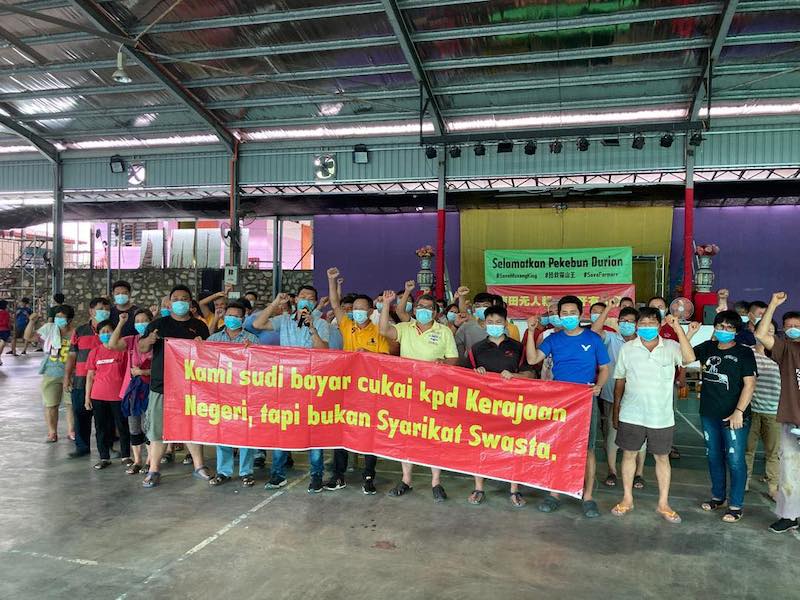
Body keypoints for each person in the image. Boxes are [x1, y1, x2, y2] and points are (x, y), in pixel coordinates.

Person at [525, 295, 610, 518]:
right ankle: (555, 493)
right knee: (559, 446)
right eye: (564, 313)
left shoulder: (593, 339)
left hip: (585, 398)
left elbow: (604, 368)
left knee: (588, 449)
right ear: (559, 316)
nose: (569, 316)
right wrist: (531, 331)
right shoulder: (554, 339)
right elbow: (533, 359)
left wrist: (599, 386)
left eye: (573, 312)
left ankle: (588, 496)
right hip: (561, 400)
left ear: (580, 314)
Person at [610, 312, 698, 524]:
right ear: (637, 326)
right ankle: (627, 498)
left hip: (661, 416)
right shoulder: (627, 348)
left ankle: (663, 503)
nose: (647, 326)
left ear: (660, 325)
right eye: (643, 323)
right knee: (629, 455)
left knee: (662, 457)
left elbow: (689, 358)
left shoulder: (671, 346)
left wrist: (678, 329)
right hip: (632, 414)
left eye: (652, 323)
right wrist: (616, 408)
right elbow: (620, 379)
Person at [380, 289, 459, 502]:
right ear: (414, 310)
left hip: (435, 393)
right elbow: (384, 330)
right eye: (420, 307)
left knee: (434, 436)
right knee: (407, 435)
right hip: (408, 391)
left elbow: (453, 359)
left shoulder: (444, 332)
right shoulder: (405, 328)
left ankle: (436, 482)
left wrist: (443, 364)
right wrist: (387, 304)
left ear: (435, 312)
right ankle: (406, 480)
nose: (423, 310)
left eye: (428, 308)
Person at [251, 286, 330, 493]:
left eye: (311, 298)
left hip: (312, 385)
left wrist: (312, 328)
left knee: (314, 432)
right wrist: (276, 303)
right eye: (303, 296)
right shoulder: (284, 320)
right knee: (283, 429)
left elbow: (324, 350)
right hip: (286, 384)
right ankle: (278, 475)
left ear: (314, 303)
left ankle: (316, 476)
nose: (306, 300)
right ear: (295, 300)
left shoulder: (321, 323)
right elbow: (258, 323)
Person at [139, 285, 211, 488]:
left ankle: (199, 466)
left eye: (185, 298)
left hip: (191, 385)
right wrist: (149, 340)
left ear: (190, 303)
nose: (180, 301)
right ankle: (154, 469)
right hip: (161, 384)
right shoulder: (157, 324)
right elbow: (142, 348)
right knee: (157, 429)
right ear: (169, 303)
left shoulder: (200, 326)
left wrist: (201, 345)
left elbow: (207, 356)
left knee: (191, 426)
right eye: (176, 298)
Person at [326, 268, 391, 494]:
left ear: (371, 311)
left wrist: (367, 355)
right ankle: (338, 475)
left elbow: (386, 359)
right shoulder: (347, 326)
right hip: (347, 387)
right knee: (341, 431)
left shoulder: (378, 332)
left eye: (362, 309)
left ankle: (369, 476)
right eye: (355, 309)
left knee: (368, 432)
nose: (357, 312)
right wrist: (332, 280)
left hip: (369, 389)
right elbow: (334, 304)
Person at [467, 305, 534, 507]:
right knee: (480, 445)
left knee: (514, 447)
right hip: (483, 406)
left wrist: (514, 375)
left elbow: (531, 374)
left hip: (512, 406)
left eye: (498, 322)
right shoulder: (475, 349)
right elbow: (462, 377)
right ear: (483, 323)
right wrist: (474, 373)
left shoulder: (518, 347)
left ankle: (514, 490)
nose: (494, 326)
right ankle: (479, 488)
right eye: (490, 322)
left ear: (506, 323)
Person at [694, 310, 757, 523]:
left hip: (734, 416)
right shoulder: (707, 348)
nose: (724, 331)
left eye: (729, 328)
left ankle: (736, 504)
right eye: (720, 326)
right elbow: (685, 357)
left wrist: (738, 412)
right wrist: (684, 331)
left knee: (735, 460)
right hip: (709, 414)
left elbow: (750, 384)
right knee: (713, 456)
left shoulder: (744, 353)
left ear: (736, 331)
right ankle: (718, 497)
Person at [755, 292, 800, 533]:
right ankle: (789, 515)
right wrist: (772, 304)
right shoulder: (786, 350)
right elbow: (761, 335)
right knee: (790, 470)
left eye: (797, 326)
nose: (793, 329)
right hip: (792, 420)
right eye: (788, 326)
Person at [590, 302, 647, 489]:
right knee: (611, 434)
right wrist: (607, 310)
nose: (626, 324)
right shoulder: (611, 338)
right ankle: (612, 471)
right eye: (623, 321)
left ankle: (639, 473)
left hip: (638, 397)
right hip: (610, 394)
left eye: (631, 321)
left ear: (637, 324)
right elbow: (594, 331)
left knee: (639, 436)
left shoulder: (645, 340)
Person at [207, 301, 260, 487]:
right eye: (230, 315)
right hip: (220, 394)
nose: (232, 319)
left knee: (246, 434)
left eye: (237, 316)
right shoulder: (213, 339)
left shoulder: (252, 340)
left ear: (243, 319)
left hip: (244, 394)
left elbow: (261, 367)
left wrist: (252, 352)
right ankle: (224, 471)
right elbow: (201, 361)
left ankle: (246, 471)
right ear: (224, 316)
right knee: (223, 433)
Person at [64, 297, 111, 458]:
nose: (104, 312)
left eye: (106, 309)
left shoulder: (112, 331)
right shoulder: (80, 331)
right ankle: (82, 447)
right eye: (100, 309)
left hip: (105, 382)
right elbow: (72, 355)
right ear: (91, 311)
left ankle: (107, 448)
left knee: (105, 418)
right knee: (80, 414)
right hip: (81, 379)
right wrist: (67, 376)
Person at [108, 309, 153, 475]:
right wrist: (121, 322)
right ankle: (137, 460)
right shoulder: (131, 340)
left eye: (144, 320)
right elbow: (112, 344)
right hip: (133, 391)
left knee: (148, 427)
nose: (141, 323)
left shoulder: (157, 342)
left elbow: (162, 368)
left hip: (150, 390)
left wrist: (143, 373)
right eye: (138, 321)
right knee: (134, 427)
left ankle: (150, 461)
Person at [24, 306, 76, 441]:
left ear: (69, 319)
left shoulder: (76, 333)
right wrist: (31, 322)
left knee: (71, 404)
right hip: (51, 371)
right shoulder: (49, 329)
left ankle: (72, 431)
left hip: (72, 373)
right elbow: (28, 336)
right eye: (57, 317)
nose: (58, 320)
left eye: (62, 317)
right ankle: (52, 432)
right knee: (51, 404)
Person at [84, 320, 130, 470]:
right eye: (102, 332)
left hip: (118, 396)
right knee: (101, 428)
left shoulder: (121, 350)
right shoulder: (94, 352)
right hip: (98, 396)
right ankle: (104, 457)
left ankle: (126, 456)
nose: (106, 334)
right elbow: (90, 376)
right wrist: (87, 397)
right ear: (97, 334)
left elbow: (127, 373)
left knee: (122, 427)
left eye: (109, 331)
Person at [744, 319, 781, 500]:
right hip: (751, 411)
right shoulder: (747, 353)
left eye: (771, 331)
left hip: (774, 412)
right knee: (747, 449)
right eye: (764, 330)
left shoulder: (781, 355)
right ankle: (744, 481)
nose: (767, 334)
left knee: (773, 452)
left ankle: (773, 487)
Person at [0, 299, 10, 364]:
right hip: (4, 331)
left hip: (4, 330)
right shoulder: (6, 313)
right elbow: (6, 323)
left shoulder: (6, 313)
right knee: (2, 345)